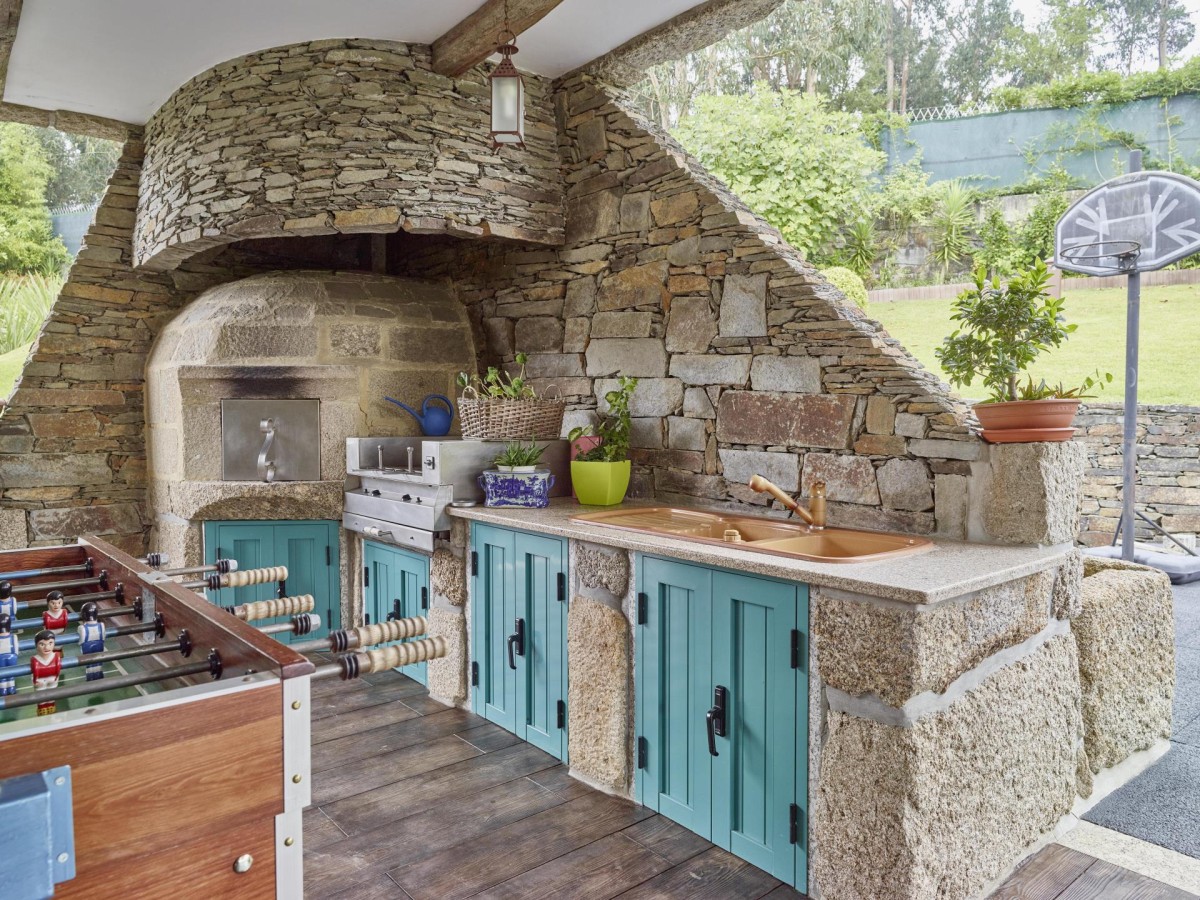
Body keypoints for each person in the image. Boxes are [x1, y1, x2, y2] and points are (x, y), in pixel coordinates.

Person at [30, 629, 62, 715]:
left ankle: (51, 707)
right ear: (36, 646)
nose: (47, 647)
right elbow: (33, 674)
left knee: (52, 695)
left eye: (50, 643)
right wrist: (34, 681)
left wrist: (56, 678)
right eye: (42, 644)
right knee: (41, 697)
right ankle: (41, 709)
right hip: (40, 682)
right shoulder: (35, 659)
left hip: (52, 679)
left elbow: (58, 670)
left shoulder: (56, 656)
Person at [77, 602, 106, 681]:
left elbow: (81, 641)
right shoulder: (102, 625)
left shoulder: (82, 628)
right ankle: (99, 677)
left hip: (87, 647)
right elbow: (103, 638)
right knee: (98, 663)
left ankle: (91, 679)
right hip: (99, 645)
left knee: (89, 665)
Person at [0, 613, 18, 695]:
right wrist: (15, 656)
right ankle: (11, 688)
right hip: (12, 657)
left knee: (2, 675)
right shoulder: (13, 637)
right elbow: (16, 648)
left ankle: (3, 689)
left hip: (0, 658)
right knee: (11, 674)